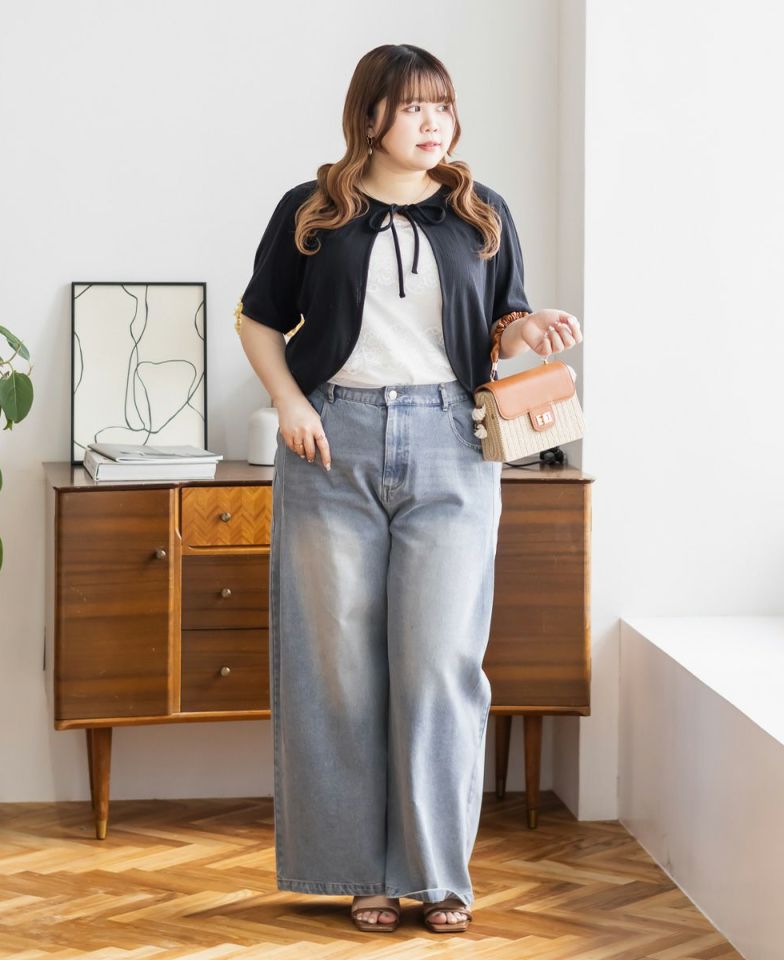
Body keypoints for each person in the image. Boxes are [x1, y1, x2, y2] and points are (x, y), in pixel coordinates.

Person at [237, 43, 582, 935]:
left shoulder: (479, 211)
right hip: (331, 441)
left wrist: (528, 329)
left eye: (443, 106)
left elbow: (499, 324)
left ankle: (437, 874)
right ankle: (361, 873)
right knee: (339, 667)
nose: (434, 123)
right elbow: (259, 318)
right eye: (413, 107)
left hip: (451, 444)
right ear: (371, 117)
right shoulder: (314, 210)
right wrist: (289, 404)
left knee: (439, 665)